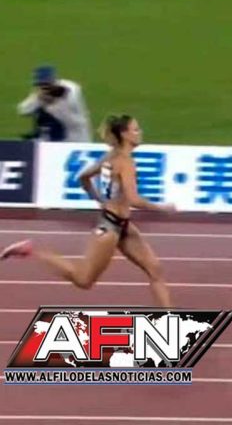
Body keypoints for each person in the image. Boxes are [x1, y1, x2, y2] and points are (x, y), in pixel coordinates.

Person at [0, 114, 175, 308]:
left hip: (123, 225)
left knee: (155, 270)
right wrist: (162, 208)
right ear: (125, 134)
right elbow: (133, 199)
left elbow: (84, 177)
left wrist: (99, 200)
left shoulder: (111, 157)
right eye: (135, 129)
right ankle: (32, 250)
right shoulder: (125, 162)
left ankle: (168, 317)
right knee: (83, 280)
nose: (140, 133)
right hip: (109, 229)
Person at [17, 65, 92, 142]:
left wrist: (55, 101)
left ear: (54, 81)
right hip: (52, 140)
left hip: (76, 139)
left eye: (46, 84)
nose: (44, 87)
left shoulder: (71, 88)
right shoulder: (40, 95)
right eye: (40, 84)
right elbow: (23, 110)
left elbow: (70, 104)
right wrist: (39, 100)